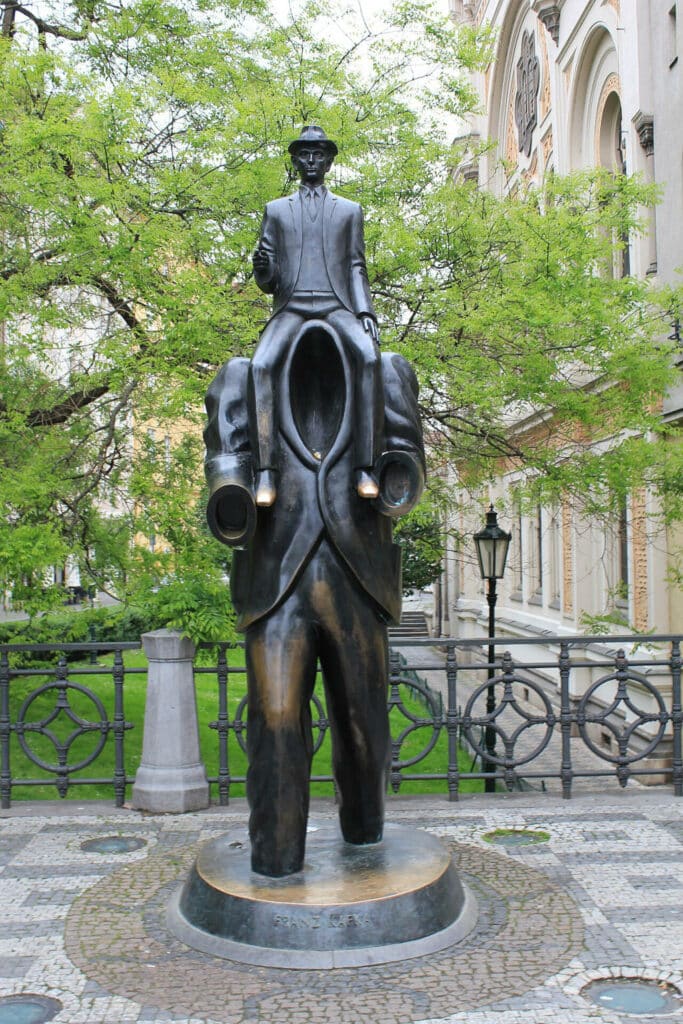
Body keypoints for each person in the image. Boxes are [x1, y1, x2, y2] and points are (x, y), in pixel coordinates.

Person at [249, 125, 383, 508]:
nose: (311, 161)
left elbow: (357, 267)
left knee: (370, 358)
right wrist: (263, 269)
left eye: (318, 155)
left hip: (336, 305)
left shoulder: (349, 211)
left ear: (328, 161)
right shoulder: (275, 211)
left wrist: (364, 311)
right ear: (294, 161)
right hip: (291, 307)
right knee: (260, 367)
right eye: (304, 155)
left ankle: (365, 468)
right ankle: (266, 473)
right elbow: (269, 280)